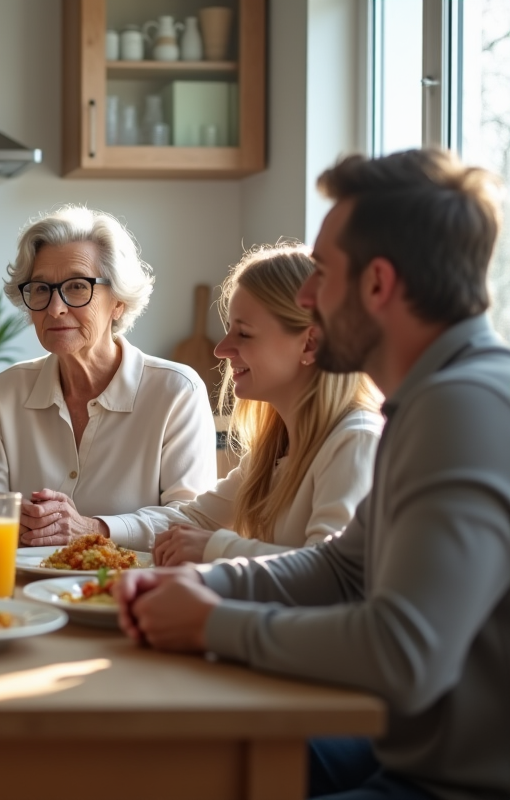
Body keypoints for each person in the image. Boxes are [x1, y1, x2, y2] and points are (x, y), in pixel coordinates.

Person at [114, 148, 510, 800]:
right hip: (409, 758)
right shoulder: (432, 399)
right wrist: (206, 582)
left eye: (321, 273)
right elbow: (341, 570)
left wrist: (211, 623)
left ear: (378, 284)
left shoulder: (462, 408)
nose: (305, 295)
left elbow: (403, 652)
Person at [104, 245, 383, 565]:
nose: (221, 350)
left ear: (310, 343)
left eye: (244, 334)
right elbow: (194, 520)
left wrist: (216, 549)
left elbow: (331, 574)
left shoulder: (355, 441)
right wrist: (96, 528)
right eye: (228, 330)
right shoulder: (275, 450)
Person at [0, 205, 217, 546]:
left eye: (76, 286)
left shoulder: (176, 391)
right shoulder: (7, 390)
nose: (55, 308)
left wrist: (94, 529)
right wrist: (15, 520)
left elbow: (193, 519)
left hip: (132, 590)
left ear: (119, 302)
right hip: (24, 587)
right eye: (41, 289)